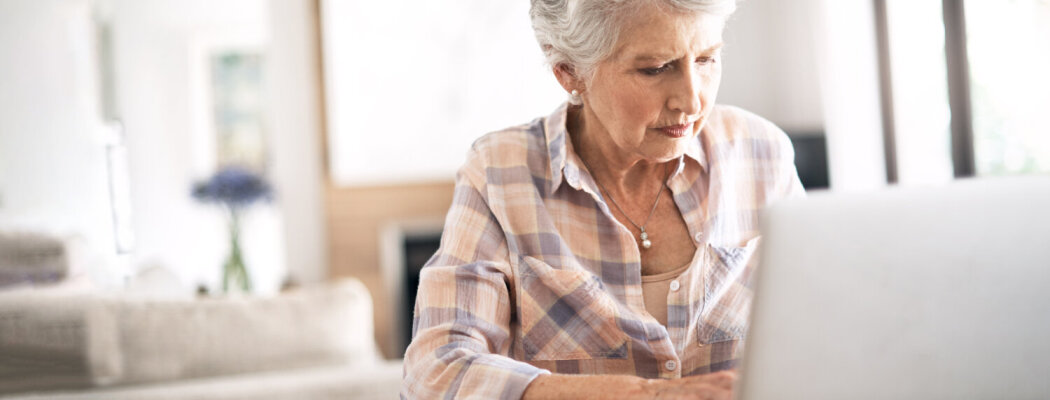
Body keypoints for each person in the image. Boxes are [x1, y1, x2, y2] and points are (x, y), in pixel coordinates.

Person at [402, 0, 804, 398]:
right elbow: (435, 372)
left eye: (706, 60)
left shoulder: (761, 153)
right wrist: (650, 396)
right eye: (655, 68)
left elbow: (824, 327)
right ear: (570, 73)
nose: (692, 100)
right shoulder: (499, 172)